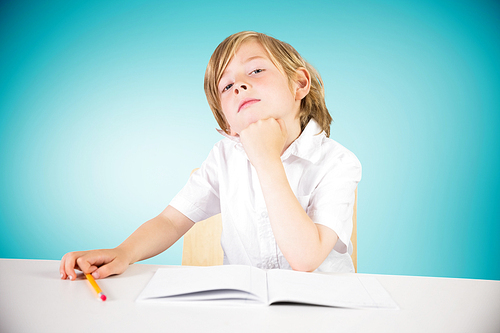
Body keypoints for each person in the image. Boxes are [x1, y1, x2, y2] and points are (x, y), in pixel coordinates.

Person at [60, 31, 361, 281]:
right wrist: (124, 252)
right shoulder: (224, 156)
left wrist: (266, 160)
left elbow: (305, 259)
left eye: (256, 70)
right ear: (228, 123)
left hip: (322, 311)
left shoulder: (339, 163)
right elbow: (171, 220)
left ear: (300, 83)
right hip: (246, 308)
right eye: (227, 86)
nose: (240, 85)